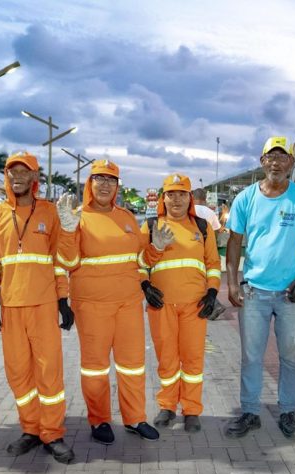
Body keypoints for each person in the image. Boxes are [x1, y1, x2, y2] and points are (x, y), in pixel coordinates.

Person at [56, 159, 165, 444]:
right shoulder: (76, 217)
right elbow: (68, 261)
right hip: (91, 306)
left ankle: (135, 418)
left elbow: (140, 260)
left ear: (118, 186)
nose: (105, 184)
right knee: (95, 367)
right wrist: (68, 231)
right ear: (89, 184)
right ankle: (99, 419)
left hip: (128, 303)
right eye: (99, 179)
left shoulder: (128, 218)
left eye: (111, 180)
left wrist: (157, 249)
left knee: (133, 364)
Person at [224, 137, 295, 439]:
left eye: (282, 157)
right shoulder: (245, 199)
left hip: (290, 294)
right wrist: (231, 283)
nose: (276, 162)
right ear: (261, 160)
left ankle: (288, 412)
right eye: (271, 156)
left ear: (290, 163)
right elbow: (234, 243)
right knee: (251, 356)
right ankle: (251, 412)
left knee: (291, 357)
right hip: (254, 292)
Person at [0, 151, 75, 464]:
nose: (17, 178)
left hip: (44, 305)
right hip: (11, 307)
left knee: (50, 373)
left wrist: (63, 300)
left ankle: (53, 432)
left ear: (35, 178)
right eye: (12, 173)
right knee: (19, 373)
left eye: (25, 173)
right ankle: (31, 430)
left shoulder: (49, 212)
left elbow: (59, 261)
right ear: (7, 177)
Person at [141, 174, 221, 432]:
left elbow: (213, 264)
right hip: (161, 305)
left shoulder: (201, 227)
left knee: (193, 359)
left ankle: (191, 409)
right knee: (167, 358)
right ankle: (167, 407)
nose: (176, 199)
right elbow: (140, 263)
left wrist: (212, 292)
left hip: (194, 305)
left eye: (182, 194)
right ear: (163, 198)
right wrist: (145, 286)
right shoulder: (151, 225)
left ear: (190, 198)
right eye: (171, 194)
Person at [192, 187, 226, 320]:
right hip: (209, 250)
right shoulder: (210, 213)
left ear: (192, 198)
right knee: (208, 277)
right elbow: (218, 231)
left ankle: (214, 305)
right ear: (204, 199)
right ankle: (212, 304)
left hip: (194, 249)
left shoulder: (189, 211)